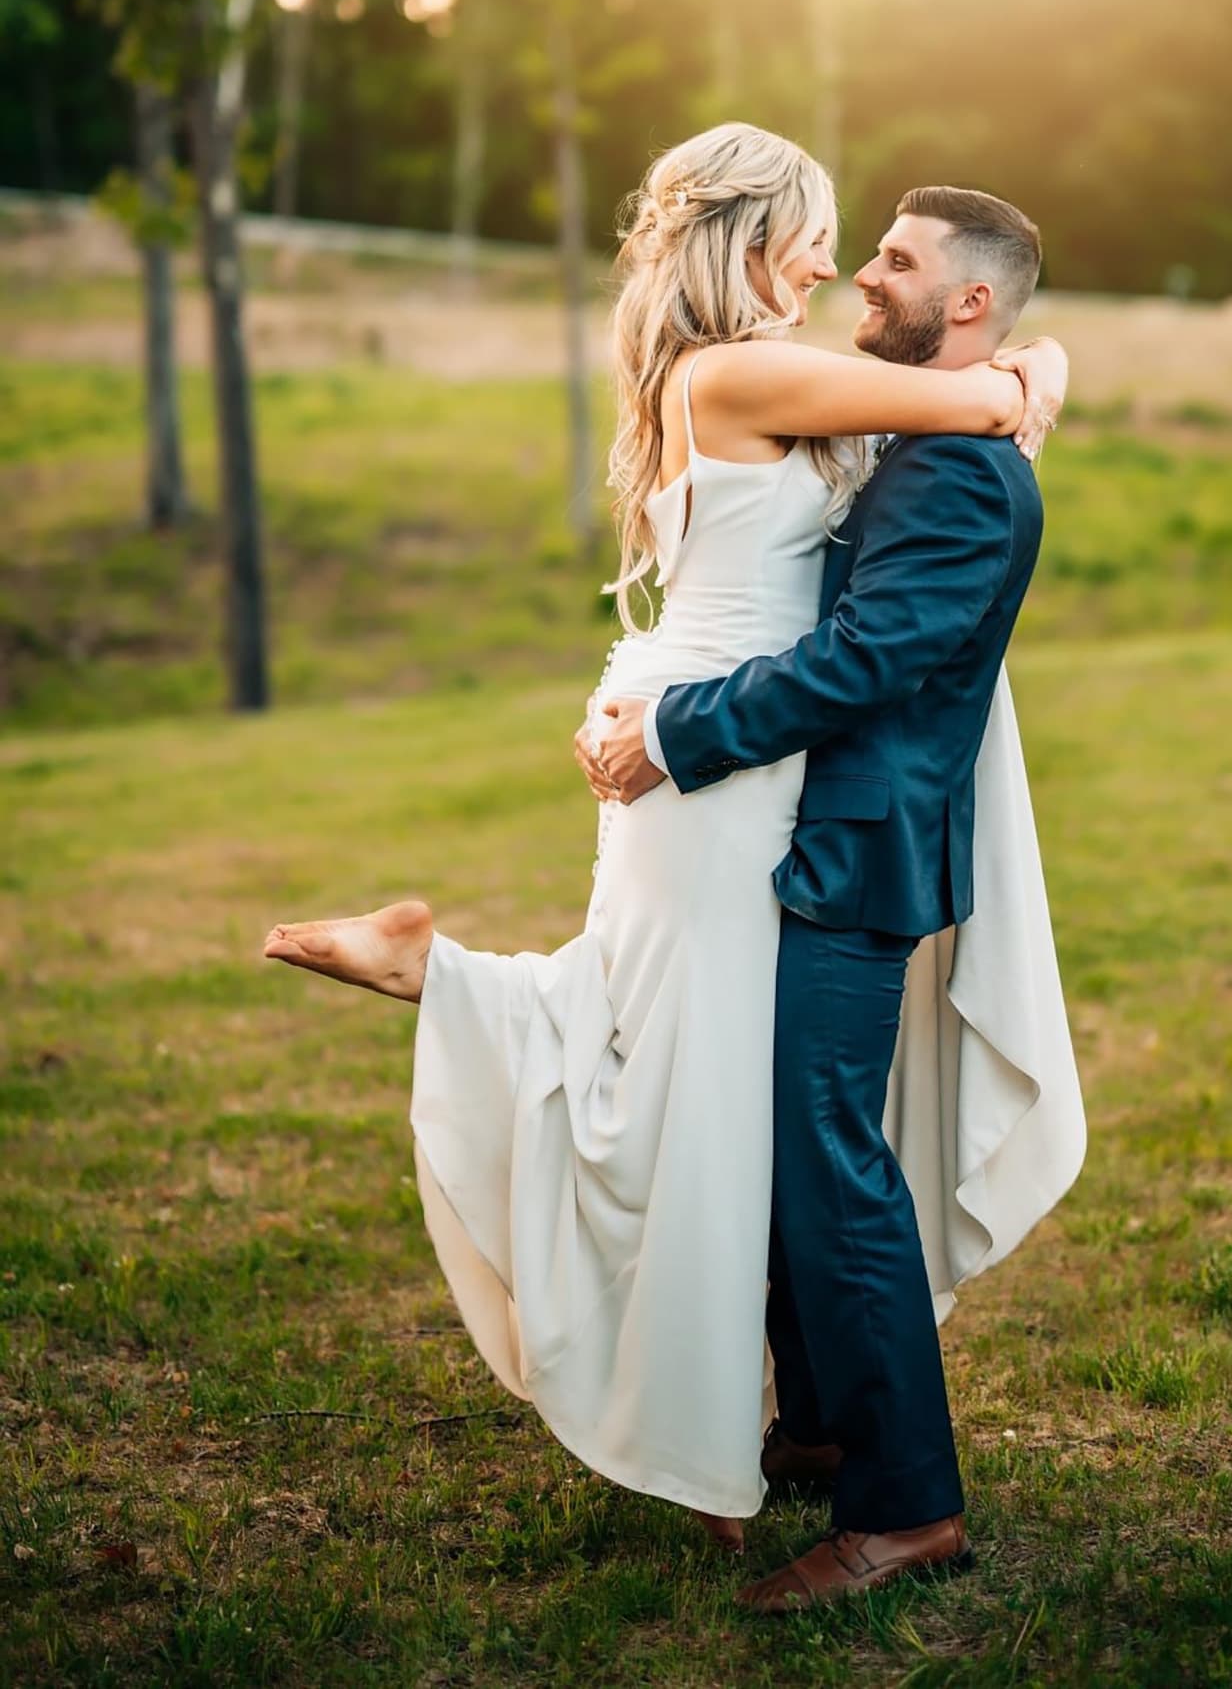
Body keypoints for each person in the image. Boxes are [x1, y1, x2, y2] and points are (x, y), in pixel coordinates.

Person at [262, 122, 1083, 1567]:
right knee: (684, 1086)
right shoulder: (745, 373)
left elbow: (987, 402)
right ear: (751, 234)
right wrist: (1027, 371)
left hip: (725, 755)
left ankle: (447, 985)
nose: (839, 266)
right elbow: (994, 393)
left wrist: (1028, 365)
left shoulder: (740, 375)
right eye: (828, 235)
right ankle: (452, 994)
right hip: (721, 764)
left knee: (688, 1076)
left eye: (879, 250)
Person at [582, 177, 1082, 1610]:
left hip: (856, 847)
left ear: (968, 300)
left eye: (900, 259)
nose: (868, 271)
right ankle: (813, 1423)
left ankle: (907, 1505)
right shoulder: (928, 424)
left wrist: (677, 736)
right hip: (817, 835)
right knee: (800, 1138)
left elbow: (866, 664)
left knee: (825, 1156)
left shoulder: (962, 468)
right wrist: (1031, 370)